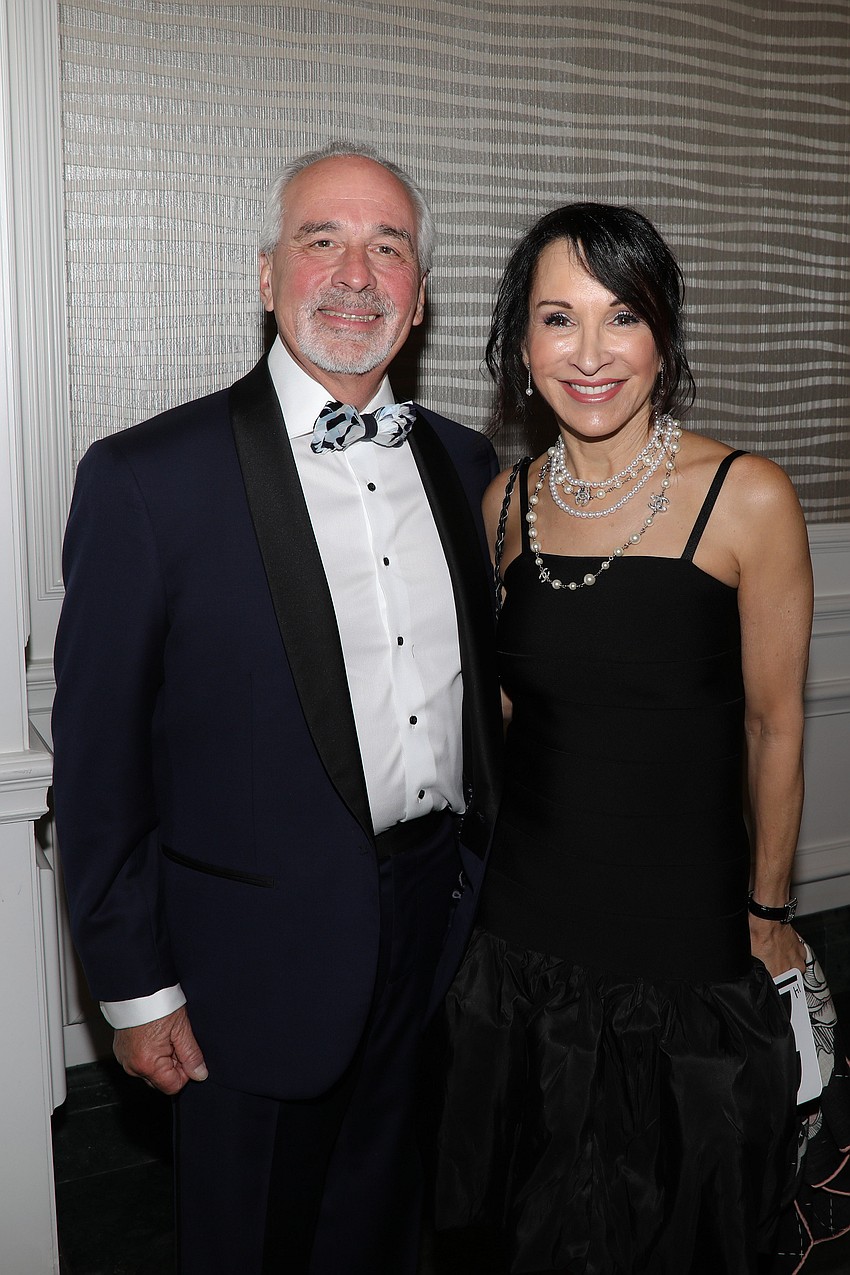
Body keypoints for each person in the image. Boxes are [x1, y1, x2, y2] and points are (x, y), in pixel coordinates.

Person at [52, 142, 503, 1275]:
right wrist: (135, 991)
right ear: (267, 276)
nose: (355, 274)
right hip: (245, 974)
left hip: (434, 937)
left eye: (388, 248)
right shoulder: (147, 478)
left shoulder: (466, 465)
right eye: (322, 240)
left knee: (392, 1235)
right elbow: (99, 766)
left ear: (419, 295)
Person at [432, 203, 814, 1274]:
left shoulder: (745, 496)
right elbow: (505, 715)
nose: (590, 353)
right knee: (526, 1215)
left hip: (683, 929)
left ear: (663, 337)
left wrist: (768, 910)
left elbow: (774, 724)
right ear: (522, 346)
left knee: (678, 1216)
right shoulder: (504, 505)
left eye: (623, 316)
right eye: (559, 319)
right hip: (524, 925)